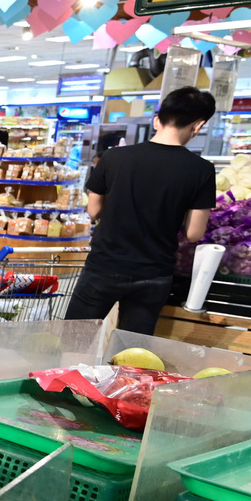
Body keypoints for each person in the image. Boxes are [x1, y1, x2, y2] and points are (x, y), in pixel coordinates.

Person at [64, 87, 218, 335]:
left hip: (104, 264)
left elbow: (93, 211)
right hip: (153, 272)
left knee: (74, 338)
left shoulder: (114, 158)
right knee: (133, 353)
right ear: (197, 125)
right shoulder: (201, 170)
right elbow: (194, 233)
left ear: (158, 119)